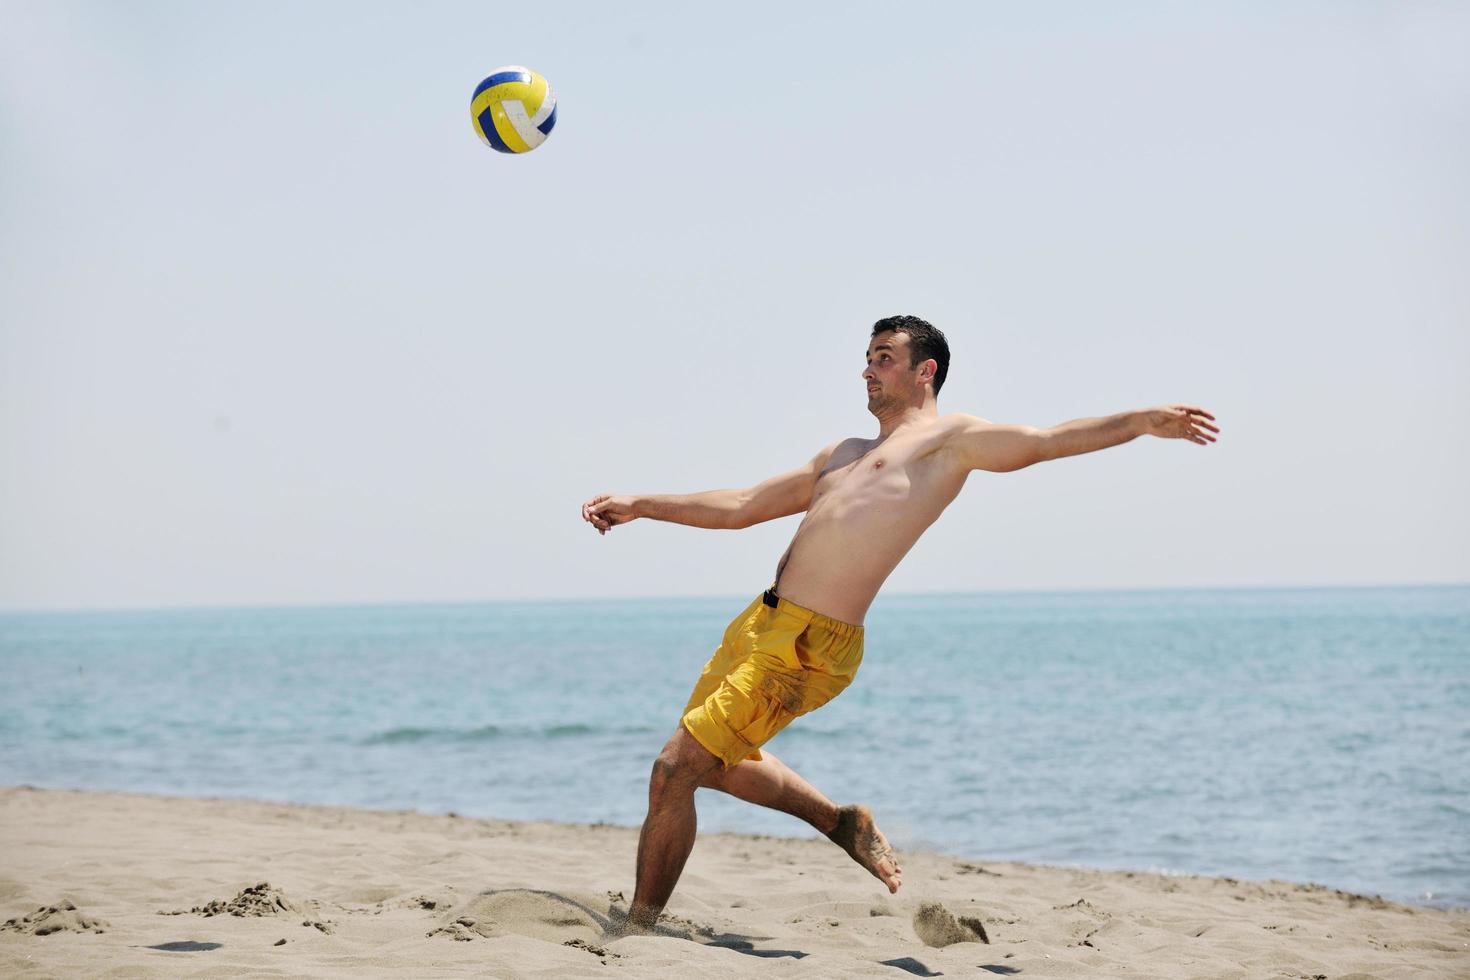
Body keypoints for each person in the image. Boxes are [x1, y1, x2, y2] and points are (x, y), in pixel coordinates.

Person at [580, 314, 1218, 933]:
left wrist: (1139, 422)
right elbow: (743, 506)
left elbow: (1045, 441)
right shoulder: (844, 453)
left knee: (673, 770)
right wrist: (642, 504)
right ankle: (840, 823)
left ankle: (638, 930)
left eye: (884, 357)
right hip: (759, 624)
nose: (867, 370)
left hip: (808, 646)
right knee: (714, 763)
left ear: (925, 371)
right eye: (867, 358)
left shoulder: (948, 443)